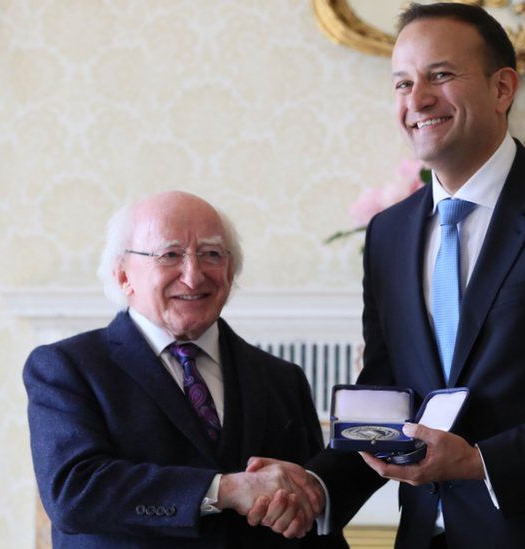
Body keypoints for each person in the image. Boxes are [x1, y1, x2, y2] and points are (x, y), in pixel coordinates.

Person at [256, 3, 525, 547]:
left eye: (440, 75)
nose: (417, 100)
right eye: (402, 83)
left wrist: (483, 462)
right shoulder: (388, 233)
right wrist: (315, 485)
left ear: (503, 88)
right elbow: (389, 393)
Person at [23, 191, 347, 548]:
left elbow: (315, 527)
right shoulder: (67, 368)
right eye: (170, 255)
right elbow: (74, 493)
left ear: (230, 271)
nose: (193, 276)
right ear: (123, 276)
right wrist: (225, 490)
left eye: (211, 254)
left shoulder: (282, 379)